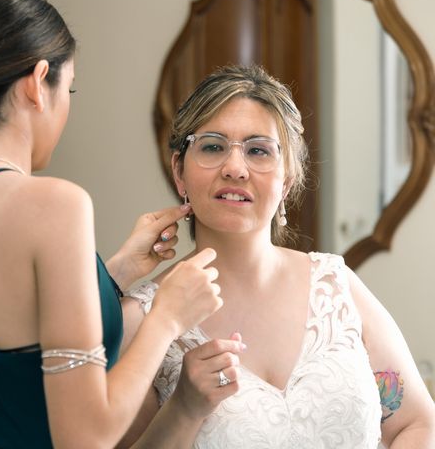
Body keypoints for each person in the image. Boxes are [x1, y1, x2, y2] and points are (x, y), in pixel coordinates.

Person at [0, 0, 225, 449]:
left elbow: (12, 338)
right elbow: (85, 437)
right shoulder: (55, 206)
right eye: (71, 89)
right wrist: (167, 317)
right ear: (38, 83)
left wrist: (118, 270)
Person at [119, 64, 435, 448]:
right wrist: (184, 408)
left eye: (258, 150)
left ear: (286, 180)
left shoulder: (336, 286)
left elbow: (416, 425)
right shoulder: (139, 320)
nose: (235, 168)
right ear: (179, 171)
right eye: (213, 146)